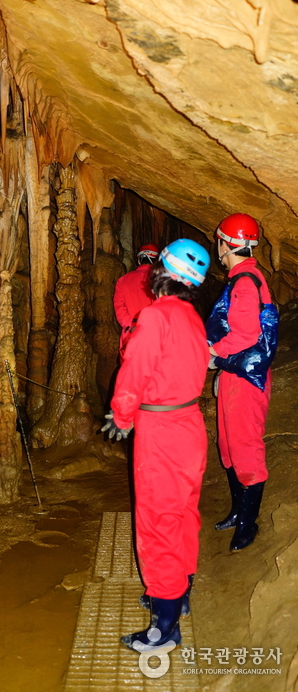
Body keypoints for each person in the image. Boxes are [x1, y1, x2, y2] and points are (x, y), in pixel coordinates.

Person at [102, 239, 210, 653]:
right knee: (183, 512)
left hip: (161, 429)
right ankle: (178, 594)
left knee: (157, 522)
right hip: (190, 424)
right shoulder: (191, 317)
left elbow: (135, 371)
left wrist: (122, 416)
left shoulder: (154, 316)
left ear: (159, 272)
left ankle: (163, 629)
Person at [206, 213, 278, 552]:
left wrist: (212, 354)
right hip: (236, 373)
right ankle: (238, 511)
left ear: (225, 244)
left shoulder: (246, 282)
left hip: (247, 379)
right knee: (229, 445)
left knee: (246, 448)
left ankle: (249, 524)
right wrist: (222, 366)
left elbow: (246, 333)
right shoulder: (243, 277)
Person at [113, 243, 159, 361]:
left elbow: (119, 308)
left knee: (131, 373)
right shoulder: (161, 281)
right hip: (156, 333)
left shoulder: (123, 280)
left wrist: (131, 326)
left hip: (132, 334)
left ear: (139, 260)